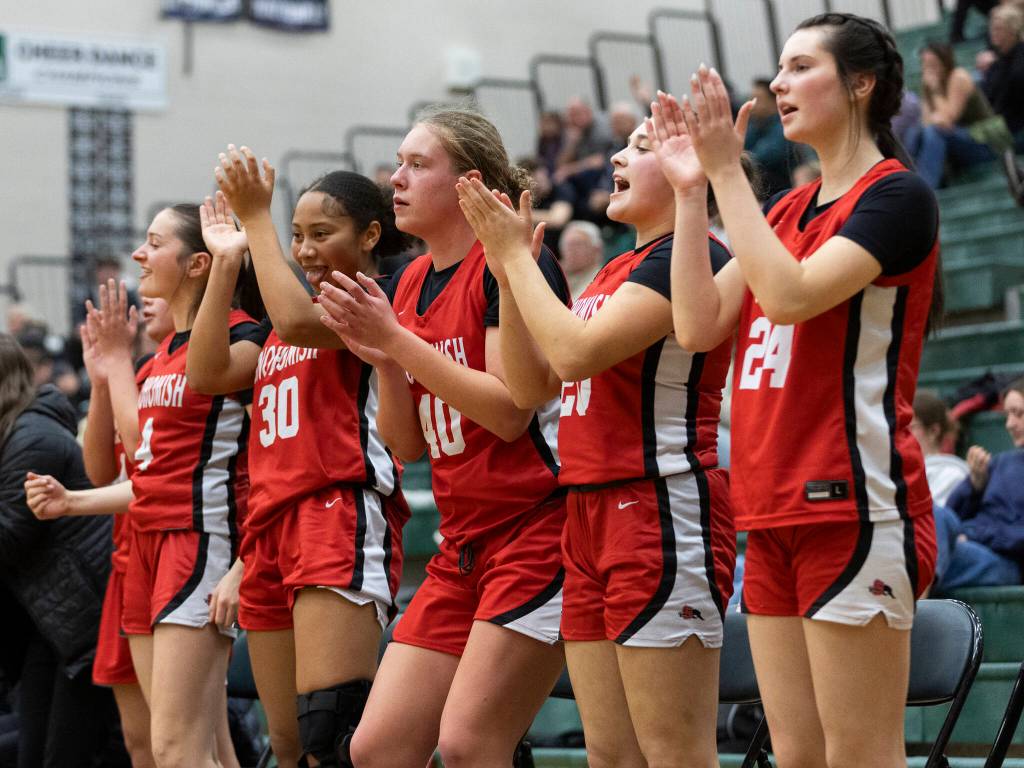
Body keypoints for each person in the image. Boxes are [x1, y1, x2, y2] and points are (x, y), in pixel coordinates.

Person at [653, 12, 940, 767]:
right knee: (797, 754)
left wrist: (724, 173)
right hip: (770, 502)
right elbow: (698, 323)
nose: (778, 83)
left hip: (855, 500)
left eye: (801, 66)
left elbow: (788, 296)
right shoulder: (780, 210)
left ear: (860, 84)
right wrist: (691, 194)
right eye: (778, 69)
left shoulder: (897, 197)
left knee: (860, 754)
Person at [454, 109, 737, 765]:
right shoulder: (615, 269)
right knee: (611, 754)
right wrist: (506, 278)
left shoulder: (690, 258)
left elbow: (577, 353)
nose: (616, 158)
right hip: (586, 513)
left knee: (674, 752)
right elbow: (532, 386)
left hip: (658, 507)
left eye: (639, 147)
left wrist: (513, 262)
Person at [316, 105, 568, 768]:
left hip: (537, 531)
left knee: (467, 744)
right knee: (376, 749)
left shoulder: (507, 264)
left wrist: (397, 342)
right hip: (463, 545)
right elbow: (407, 448)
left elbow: (511, 412)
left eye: (416, 164)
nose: (393, 178)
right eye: (398, 163)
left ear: (468, 183)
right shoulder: (404, 285)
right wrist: (385, 364)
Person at [187, 158, 410, 768]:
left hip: (338, 511)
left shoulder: (377, 300)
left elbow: (297, 319)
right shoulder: (282, 325)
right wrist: (227, 262)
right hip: (269, 530)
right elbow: (205, 373)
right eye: (296, 234)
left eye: (321, 233)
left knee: (330, 738)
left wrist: (256, 217)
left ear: (369, 235)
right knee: (286, 748)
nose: (305, 249)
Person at [108, 204, 263, 768]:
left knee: (179, 748)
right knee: (167, 746)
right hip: (144, 543)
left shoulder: (242, 337)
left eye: (153, 242)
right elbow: (140, 458)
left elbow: (270, 460)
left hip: (197, 540)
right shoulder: (165, 353)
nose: (138, 255)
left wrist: (245, 563)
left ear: (199, 263)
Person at [0, 333, 118, 767]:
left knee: (65, 756)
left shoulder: (33, 438)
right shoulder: (14, 433)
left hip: (86, 619)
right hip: (49, 621)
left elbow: (9, 538)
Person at [937, 378, 1024, 588]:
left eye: (1019, 414)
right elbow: (951, 514)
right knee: (934, 515)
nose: (1009, 424)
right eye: (1007, 415)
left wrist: (973, 535)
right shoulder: (1001, 462)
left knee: (918, 560)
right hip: (971, 547)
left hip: (1005, 562)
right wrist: (976, 486)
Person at [907, 41, 997, 189]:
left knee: (934, 131)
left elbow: (947, 121)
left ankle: (925, 189)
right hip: (956, 142)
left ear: (944, 61)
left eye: (932, 63)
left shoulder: (958, 76)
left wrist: (935, 91)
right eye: (925, 63)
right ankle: (914, 184)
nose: (928, 69)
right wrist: (929, 91)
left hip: (984, 143)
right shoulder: (929, 83)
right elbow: (926, 121)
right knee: (914, 131)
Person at [911, 390, 970, 505]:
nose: (900, 435)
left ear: (933, 431)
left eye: (909, 428)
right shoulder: (892, 473)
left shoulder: (952, 475)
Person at [744, 78, 801, 196]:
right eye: (751, 98)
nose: (752, 104)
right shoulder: (756, 125)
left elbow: (761, 158)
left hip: (784, 191)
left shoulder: (784, 127)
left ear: (774, 101)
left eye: (758, 99)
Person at [558, 221, 605, 299]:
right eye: (567, 245)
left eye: (577, 244)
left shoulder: (603, 280)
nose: (571, 250)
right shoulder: (557, 278)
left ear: (597, 249)